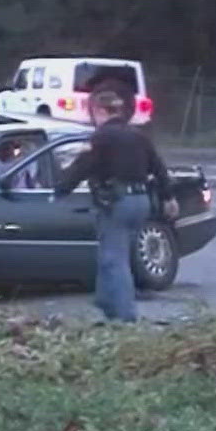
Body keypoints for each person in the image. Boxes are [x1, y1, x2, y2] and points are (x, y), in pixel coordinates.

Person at [54, 89, 178, 323]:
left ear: (99, 110)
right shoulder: (139, 136)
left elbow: (82, 167)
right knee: (110, 254)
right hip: (141, 202)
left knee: (115, 258)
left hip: (118, 202)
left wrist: (60, 189)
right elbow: (159, 168)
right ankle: (106, 301)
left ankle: (124, 315)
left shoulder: (101, 137)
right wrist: (169, 197)